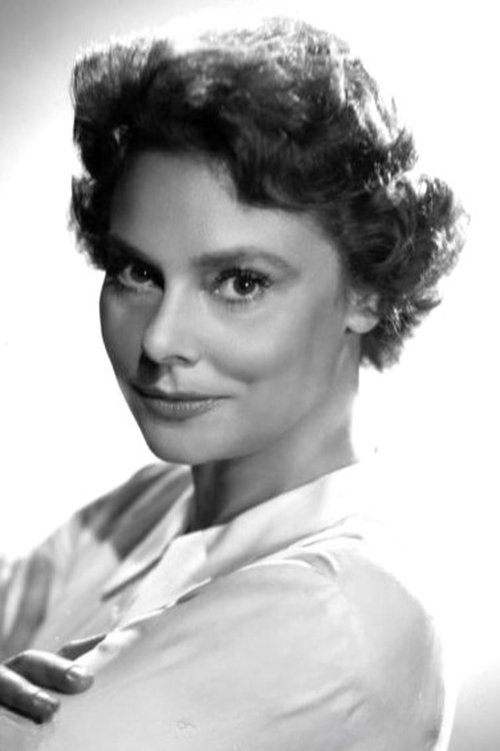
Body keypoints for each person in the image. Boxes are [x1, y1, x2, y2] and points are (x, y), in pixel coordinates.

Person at [0, 15, 466, 751]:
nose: (160, 339)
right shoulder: (146, 506)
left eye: (240, 282)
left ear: (366, 292)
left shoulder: (340, 609)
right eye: (137, 271)